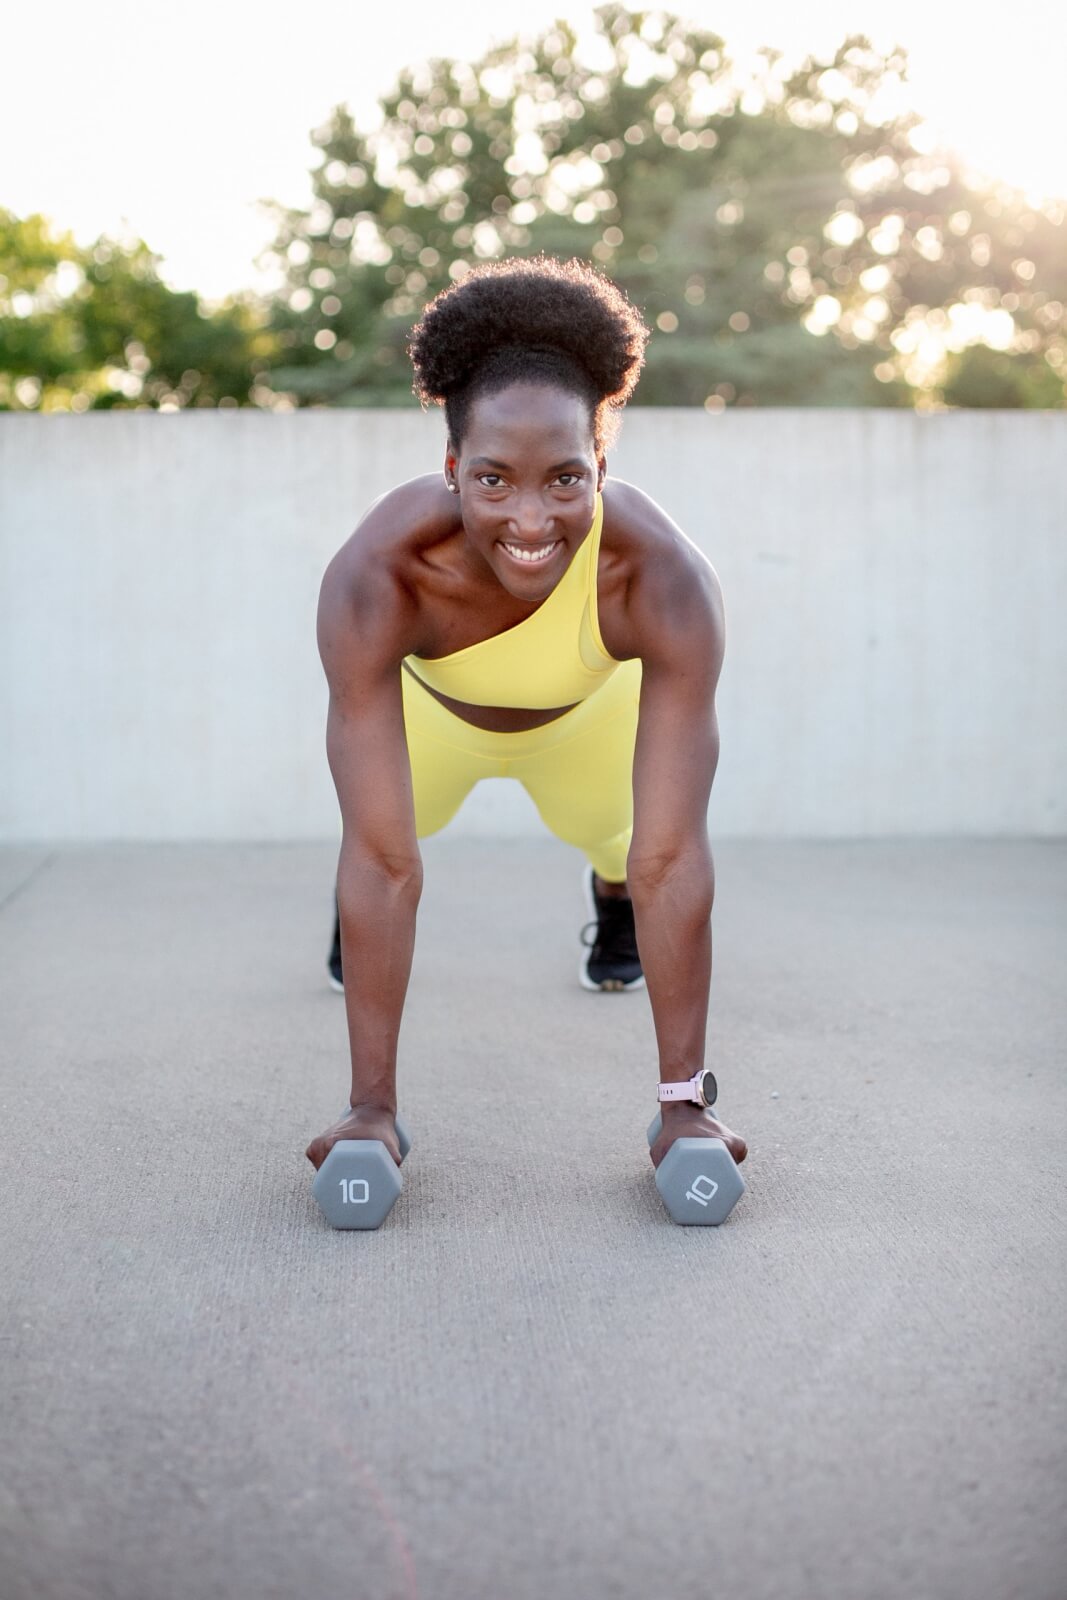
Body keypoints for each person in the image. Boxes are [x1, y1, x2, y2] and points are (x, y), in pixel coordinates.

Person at [306, 256, 747, 1182]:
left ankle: (607, 900)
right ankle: (359, 933)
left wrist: (683, 1108)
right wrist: (369, 1110)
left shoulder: (662, 580)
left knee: (631, 846)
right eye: (495, 481)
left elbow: (677, 856)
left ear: (600, 467)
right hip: (435, 719)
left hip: (580, 718)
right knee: (383, 847)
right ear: (453, 466)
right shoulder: (377, 575)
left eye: (564, 480)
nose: (531, 518)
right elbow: (388, 862)